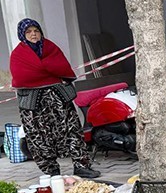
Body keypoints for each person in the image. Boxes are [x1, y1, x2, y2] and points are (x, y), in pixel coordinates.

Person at [9, 18, 101, 178]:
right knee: (38, 135)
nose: (33, 34)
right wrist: (47, 72)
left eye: (36, 31)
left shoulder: (50, 47)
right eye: (29, 32)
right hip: (33, 103)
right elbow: (22, 76)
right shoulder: (18, 54)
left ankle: (82, 166)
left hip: (57, 98)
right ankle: (51, 171)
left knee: (72, 130)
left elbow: (62, 66)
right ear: (22, 35)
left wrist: (45, 73)